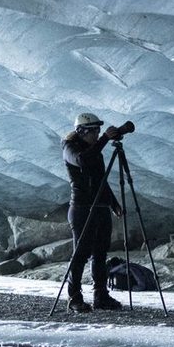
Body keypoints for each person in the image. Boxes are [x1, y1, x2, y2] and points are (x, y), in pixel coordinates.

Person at [62, 112, 127, 312]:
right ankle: (74, 298)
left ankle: (101, 295)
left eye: (99, 131)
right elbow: (82, 161)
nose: (96, 135)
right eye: (93, 131)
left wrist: (113, 203)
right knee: (80, 254)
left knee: (100, 254)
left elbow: (101, 180)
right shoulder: (70, 149)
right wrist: (106, 139)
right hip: (81, 209)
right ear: (81, 131)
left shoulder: (94, 150)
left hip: (99, 207)